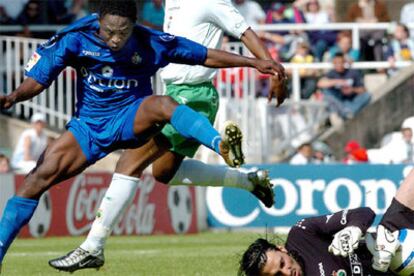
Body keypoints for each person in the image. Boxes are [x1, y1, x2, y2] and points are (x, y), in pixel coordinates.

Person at [0, 1, 286, 272]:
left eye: (123, 32)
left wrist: (253, 63)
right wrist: (14, 96)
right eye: (109, 32)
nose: (115, 39)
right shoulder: (75, 37)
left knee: (160, 107)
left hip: (133, 116)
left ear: (133, 25)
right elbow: (39, 80)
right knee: (35, 181)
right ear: (98, 22)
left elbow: (204, 54)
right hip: (88, 127)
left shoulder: (149, 39)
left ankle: (218, 143)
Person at [238, 168, 414, 275]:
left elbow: (364, 213)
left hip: (389, 244)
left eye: (282, 263)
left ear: (281, 249)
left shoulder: (301, 234)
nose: (286, 272)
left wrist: (352, 230)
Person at [318, 53, 371, 120]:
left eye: (340, 62)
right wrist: (337, 82)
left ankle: (348, 111)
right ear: (333, 64)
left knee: (367, 95)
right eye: (336, 63)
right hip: (339, 101)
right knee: (326, 94)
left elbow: (363, 90)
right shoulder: (331, 74)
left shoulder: (353, 72)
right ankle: (346, 112)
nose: (339, 65)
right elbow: (320, 83)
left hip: (352, 100)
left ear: (344, 62)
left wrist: (352, 90)